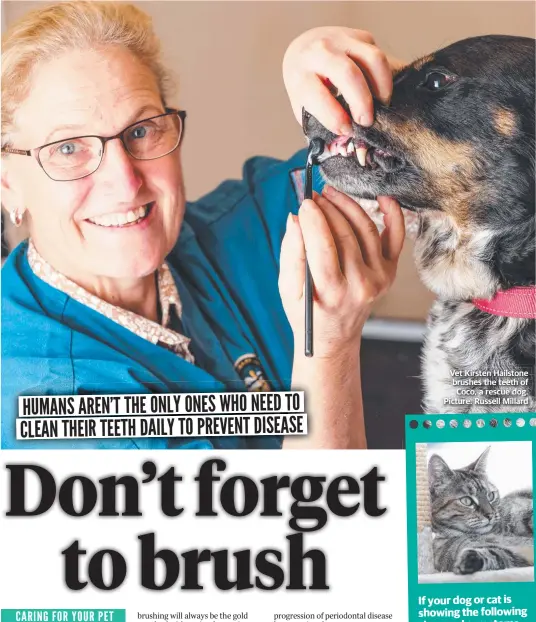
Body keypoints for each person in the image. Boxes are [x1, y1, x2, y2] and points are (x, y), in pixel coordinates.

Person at [1, 3, 405, 450]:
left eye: (141, 131)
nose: (125, 182)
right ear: (7, 186)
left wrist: (341, 76)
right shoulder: (45, 396)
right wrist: (327, 346)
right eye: (68, 147)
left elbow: (424, 142)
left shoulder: (236, 230)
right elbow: (316, 516)